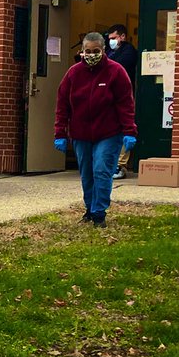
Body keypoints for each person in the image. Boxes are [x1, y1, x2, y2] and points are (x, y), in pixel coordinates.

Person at [54, 32, 137, 229]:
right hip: (81, 133)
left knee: (101, 170)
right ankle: (89, 208)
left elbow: (125, 104)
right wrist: (60, 133)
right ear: (82, 51)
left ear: (103, 50)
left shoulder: (116, 72)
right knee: (87, 173)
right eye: (87, 51)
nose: (91, 55)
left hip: (109, 133)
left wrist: (129, 130)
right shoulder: (73, 74)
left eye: (95, 51)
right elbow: (62, 105)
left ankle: (99, 212)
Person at [106, 23, 139, 181]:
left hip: (123, 96)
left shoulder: (128, 52)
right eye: (109, 38)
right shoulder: (109, 52)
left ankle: (120, 165)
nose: (111, 41)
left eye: (114, 38)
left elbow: (117, 68)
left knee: (124, 128)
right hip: (107, 97)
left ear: (122, 37)